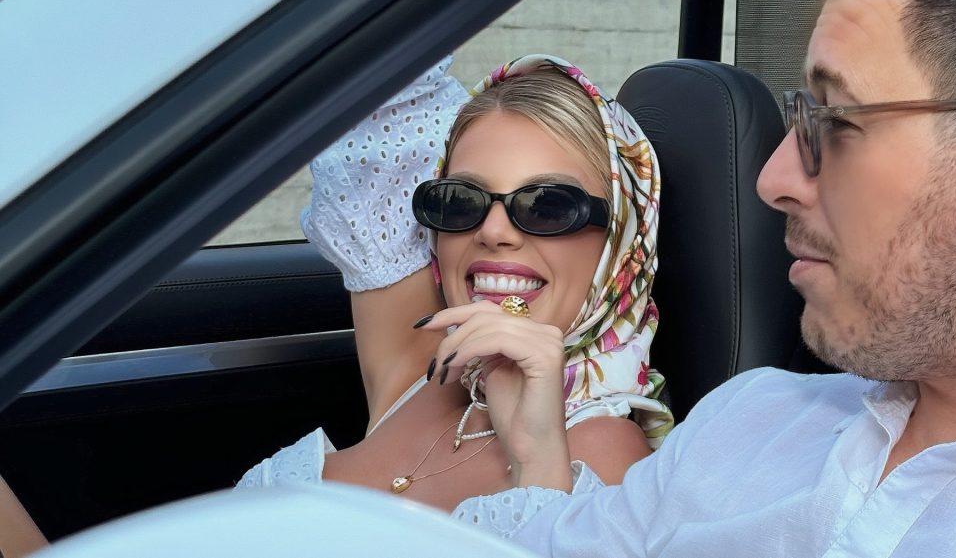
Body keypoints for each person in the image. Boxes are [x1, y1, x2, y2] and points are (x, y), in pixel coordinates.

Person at [450, 0, 956, 556]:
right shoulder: (743, 421)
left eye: (836, 121)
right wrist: (538, 452)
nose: (773, 179)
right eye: (799, 116)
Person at [237, 54, 673, 511]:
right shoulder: (428, 366)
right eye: (460, 200)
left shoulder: (606, 450)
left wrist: (536, 459)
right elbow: (364, 69)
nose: (493, 231)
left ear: (623, 244)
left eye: (547, 206)